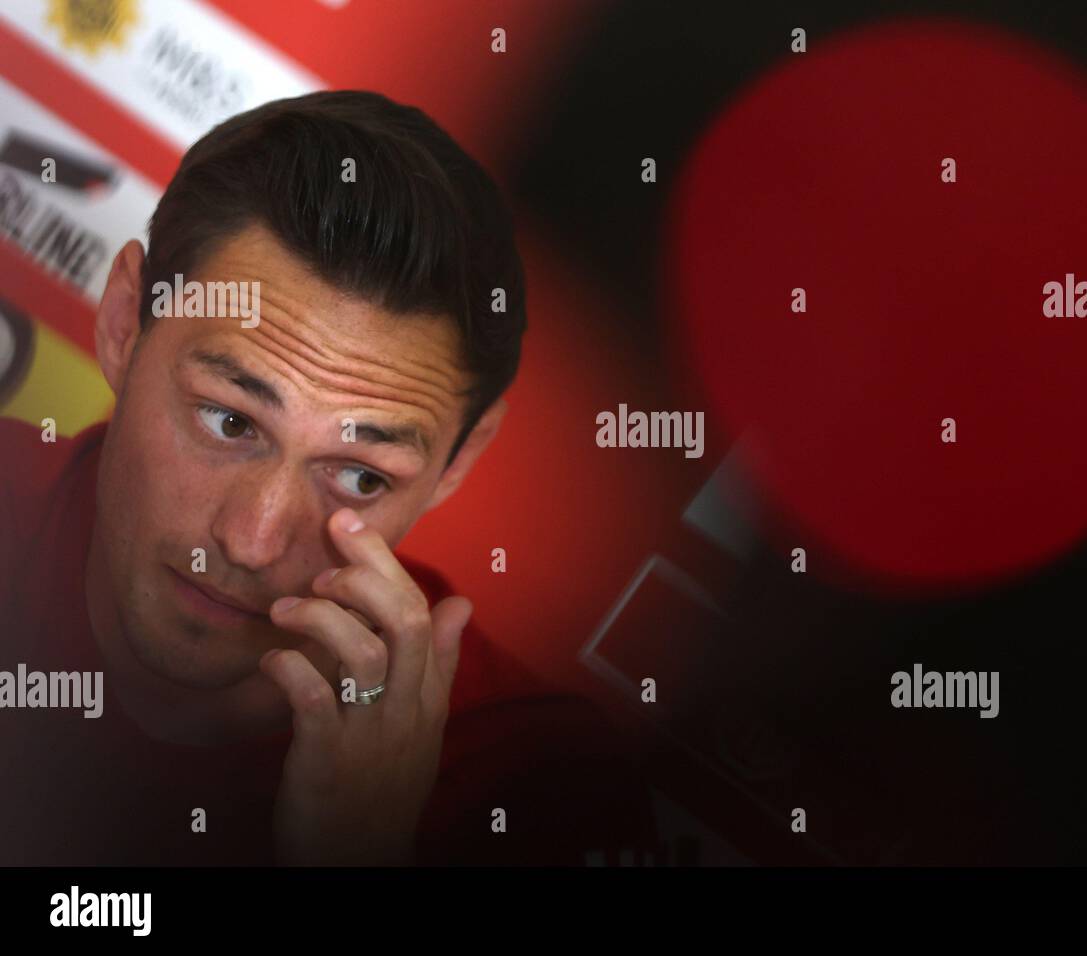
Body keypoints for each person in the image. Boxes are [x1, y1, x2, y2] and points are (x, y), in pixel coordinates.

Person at [0, 90, 659, 866]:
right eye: (230, 421)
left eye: (358, 476)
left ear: (460, 461)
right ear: (122, 323)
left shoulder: (538, 787)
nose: (251, 540)